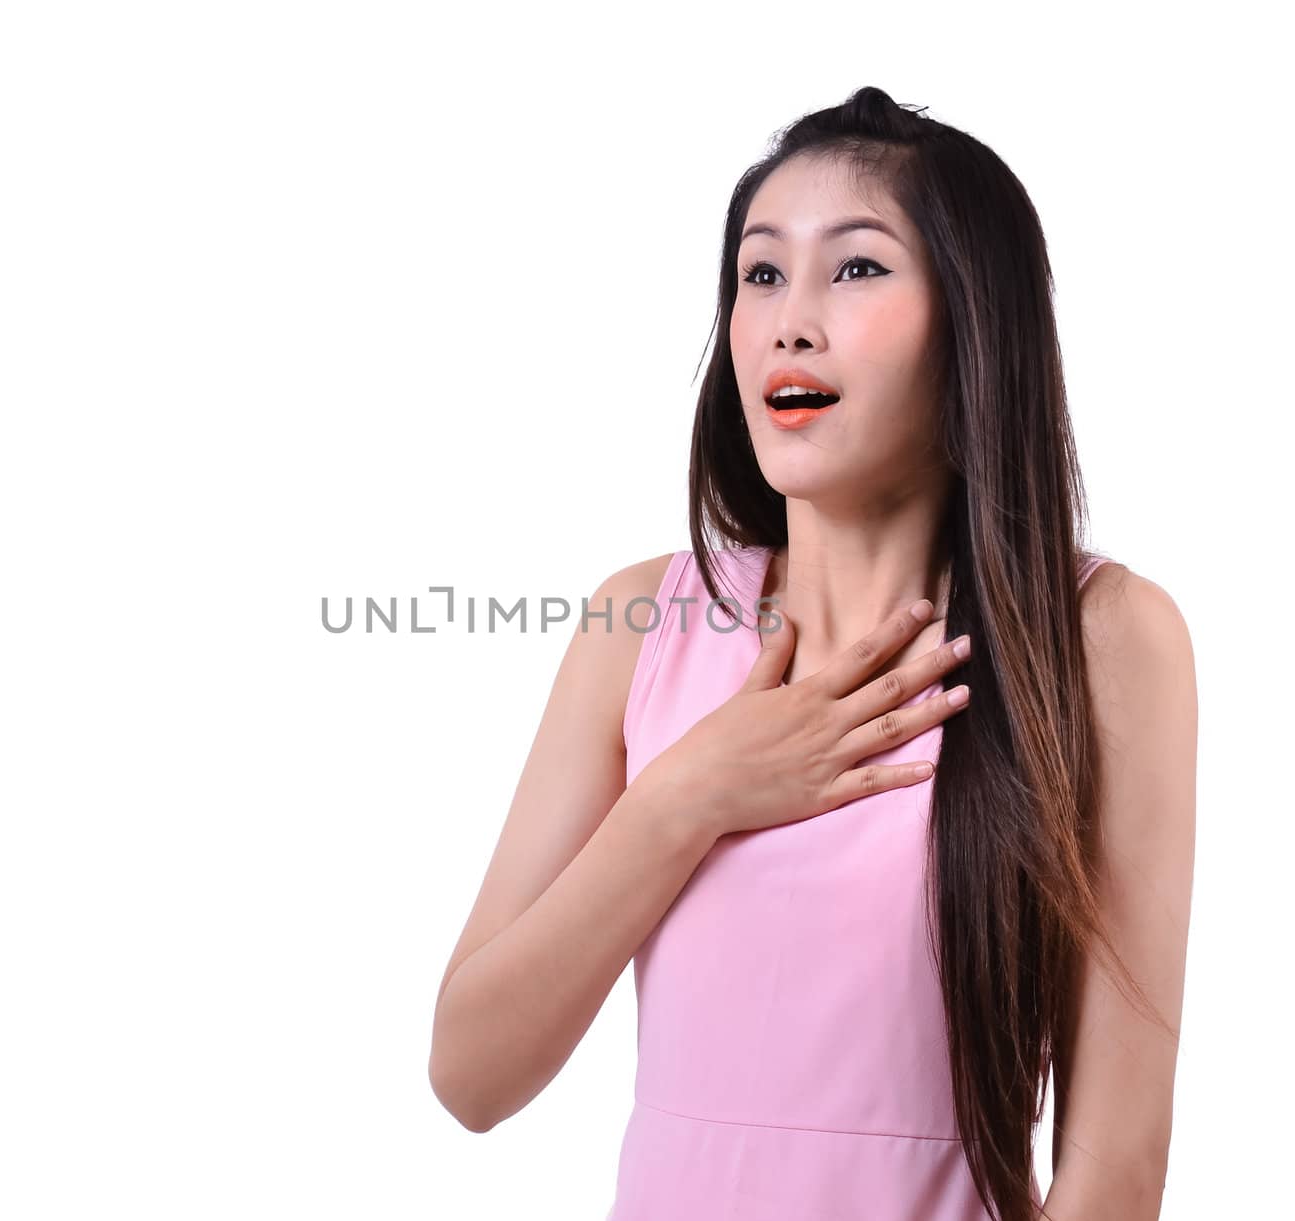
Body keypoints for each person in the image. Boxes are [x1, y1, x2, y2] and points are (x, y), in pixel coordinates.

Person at [427, 87, 1196, 1221]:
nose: (789, 320)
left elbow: (1113, 1169)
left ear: (972, 322)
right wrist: (687, 797)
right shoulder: (638, 623)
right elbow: (471, 1076)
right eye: (760, 274)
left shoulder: (1098, 639)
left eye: (855, 269)